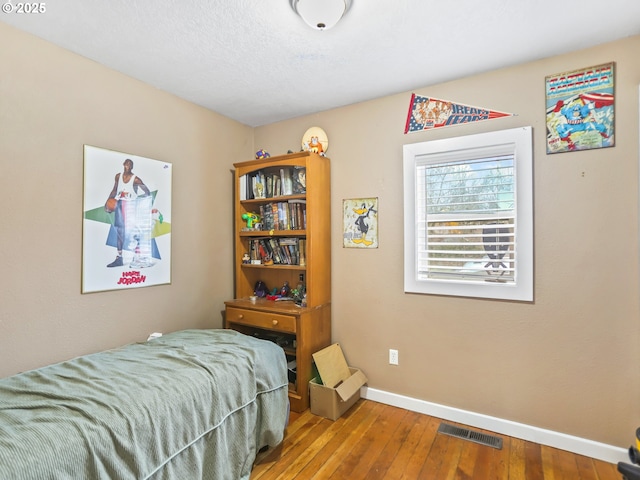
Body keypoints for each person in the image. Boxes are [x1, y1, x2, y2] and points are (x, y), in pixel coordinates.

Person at [105, 159, 151, 267]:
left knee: (133, 232)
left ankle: (138, 257)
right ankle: (119, 258)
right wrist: (107, 202)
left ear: (132, 167)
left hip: (131, 206)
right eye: (127, 164)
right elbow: (114, 190)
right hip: (120, 205)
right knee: (120, 231)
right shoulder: (118, 176)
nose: (128, 166)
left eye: (130, 165)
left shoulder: (136, 179)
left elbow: (147, 192)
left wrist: (138, 202)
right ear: (123, 164)